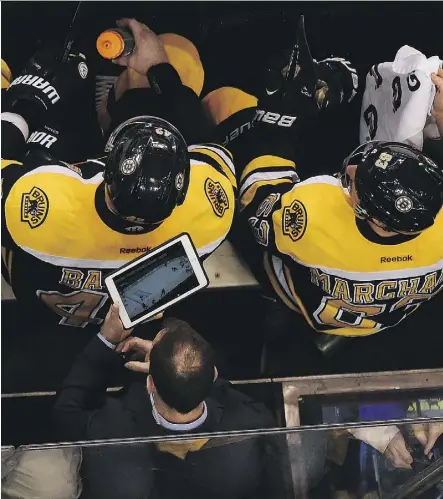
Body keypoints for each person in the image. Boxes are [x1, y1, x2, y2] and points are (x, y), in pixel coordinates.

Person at [1, 19, 236, 391]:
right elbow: (211, 148)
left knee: (39, 130)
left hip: (41, 300)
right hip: (112, 319)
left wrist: (31, 99)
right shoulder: (209, 217)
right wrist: (162, 72)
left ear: (103, 166)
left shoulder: (47, 204)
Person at [202, 37, 443, 374]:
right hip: (379, 320)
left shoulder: (314, 217)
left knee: (230, 106)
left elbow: (257, 206)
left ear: (373, 219)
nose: (354, 170)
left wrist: (281, 120)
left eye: (360, 183)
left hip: (300, 288)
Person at [52, 305, 292, 499]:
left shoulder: (110, 427)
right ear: (215, 374)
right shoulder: (252, 423)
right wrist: (172, 369)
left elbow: (65, 411)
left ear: (149, 384)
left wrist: (108, 338)